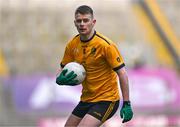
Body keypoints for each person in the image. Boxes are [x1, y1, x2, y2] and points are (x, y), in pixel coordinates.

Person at [56, 5, 133, 127]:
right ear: (75, 23)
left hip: (107, 100)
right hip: (86, 99)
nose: (82, 24)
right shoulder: (72, 45)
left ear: (93, 22)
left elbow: (122, 73)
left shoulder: (106, 45)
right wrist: (59, 79)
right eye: (79, 21)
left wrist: (127, 103)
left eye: (86, 20)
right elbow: (62, 67)